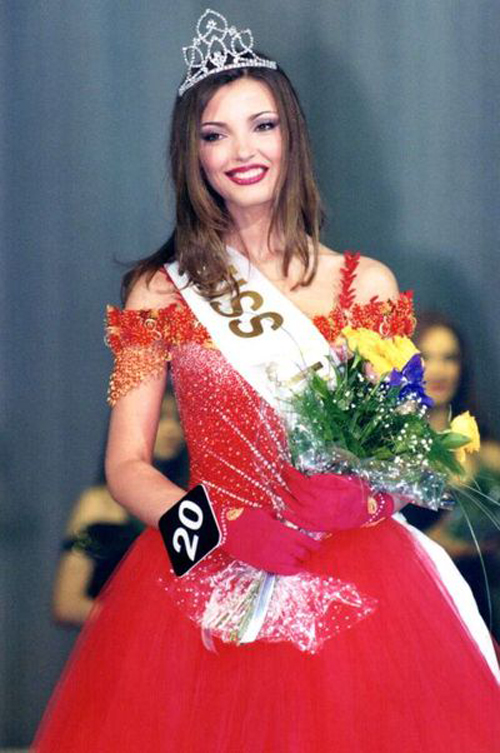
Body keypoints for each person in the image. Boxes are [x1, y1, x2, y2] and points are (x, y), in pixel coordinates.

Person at [33, 9, 500, 752]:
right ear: (192, 155)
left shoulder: (365, 284)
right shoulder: (160, 290)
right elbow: (126, 466)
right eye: (214, 135)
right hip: (208, 565)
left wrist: (365, 498)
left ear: (292, 138)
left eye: (263, 126)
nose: (242, 151)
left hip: (352, 572)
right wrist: (217, 532)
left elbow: (408, 461)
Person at [52, 390, 188, 626]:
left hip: (181, 642)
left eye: (179, 419)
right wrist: (141, 623)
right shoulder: (98, 503)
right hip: (124, 638)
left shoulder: (193, 504)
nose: (171, 429)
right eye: (160, 417)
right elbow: (67, 604)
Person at [404, 311, 500, 639]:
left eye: (450, 358)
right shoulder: (386, 450)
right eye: (425, 357)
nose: (439, 370)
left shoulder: (485, 447)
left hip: (478, 599)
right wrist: (438, 544)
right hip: (420, 604)